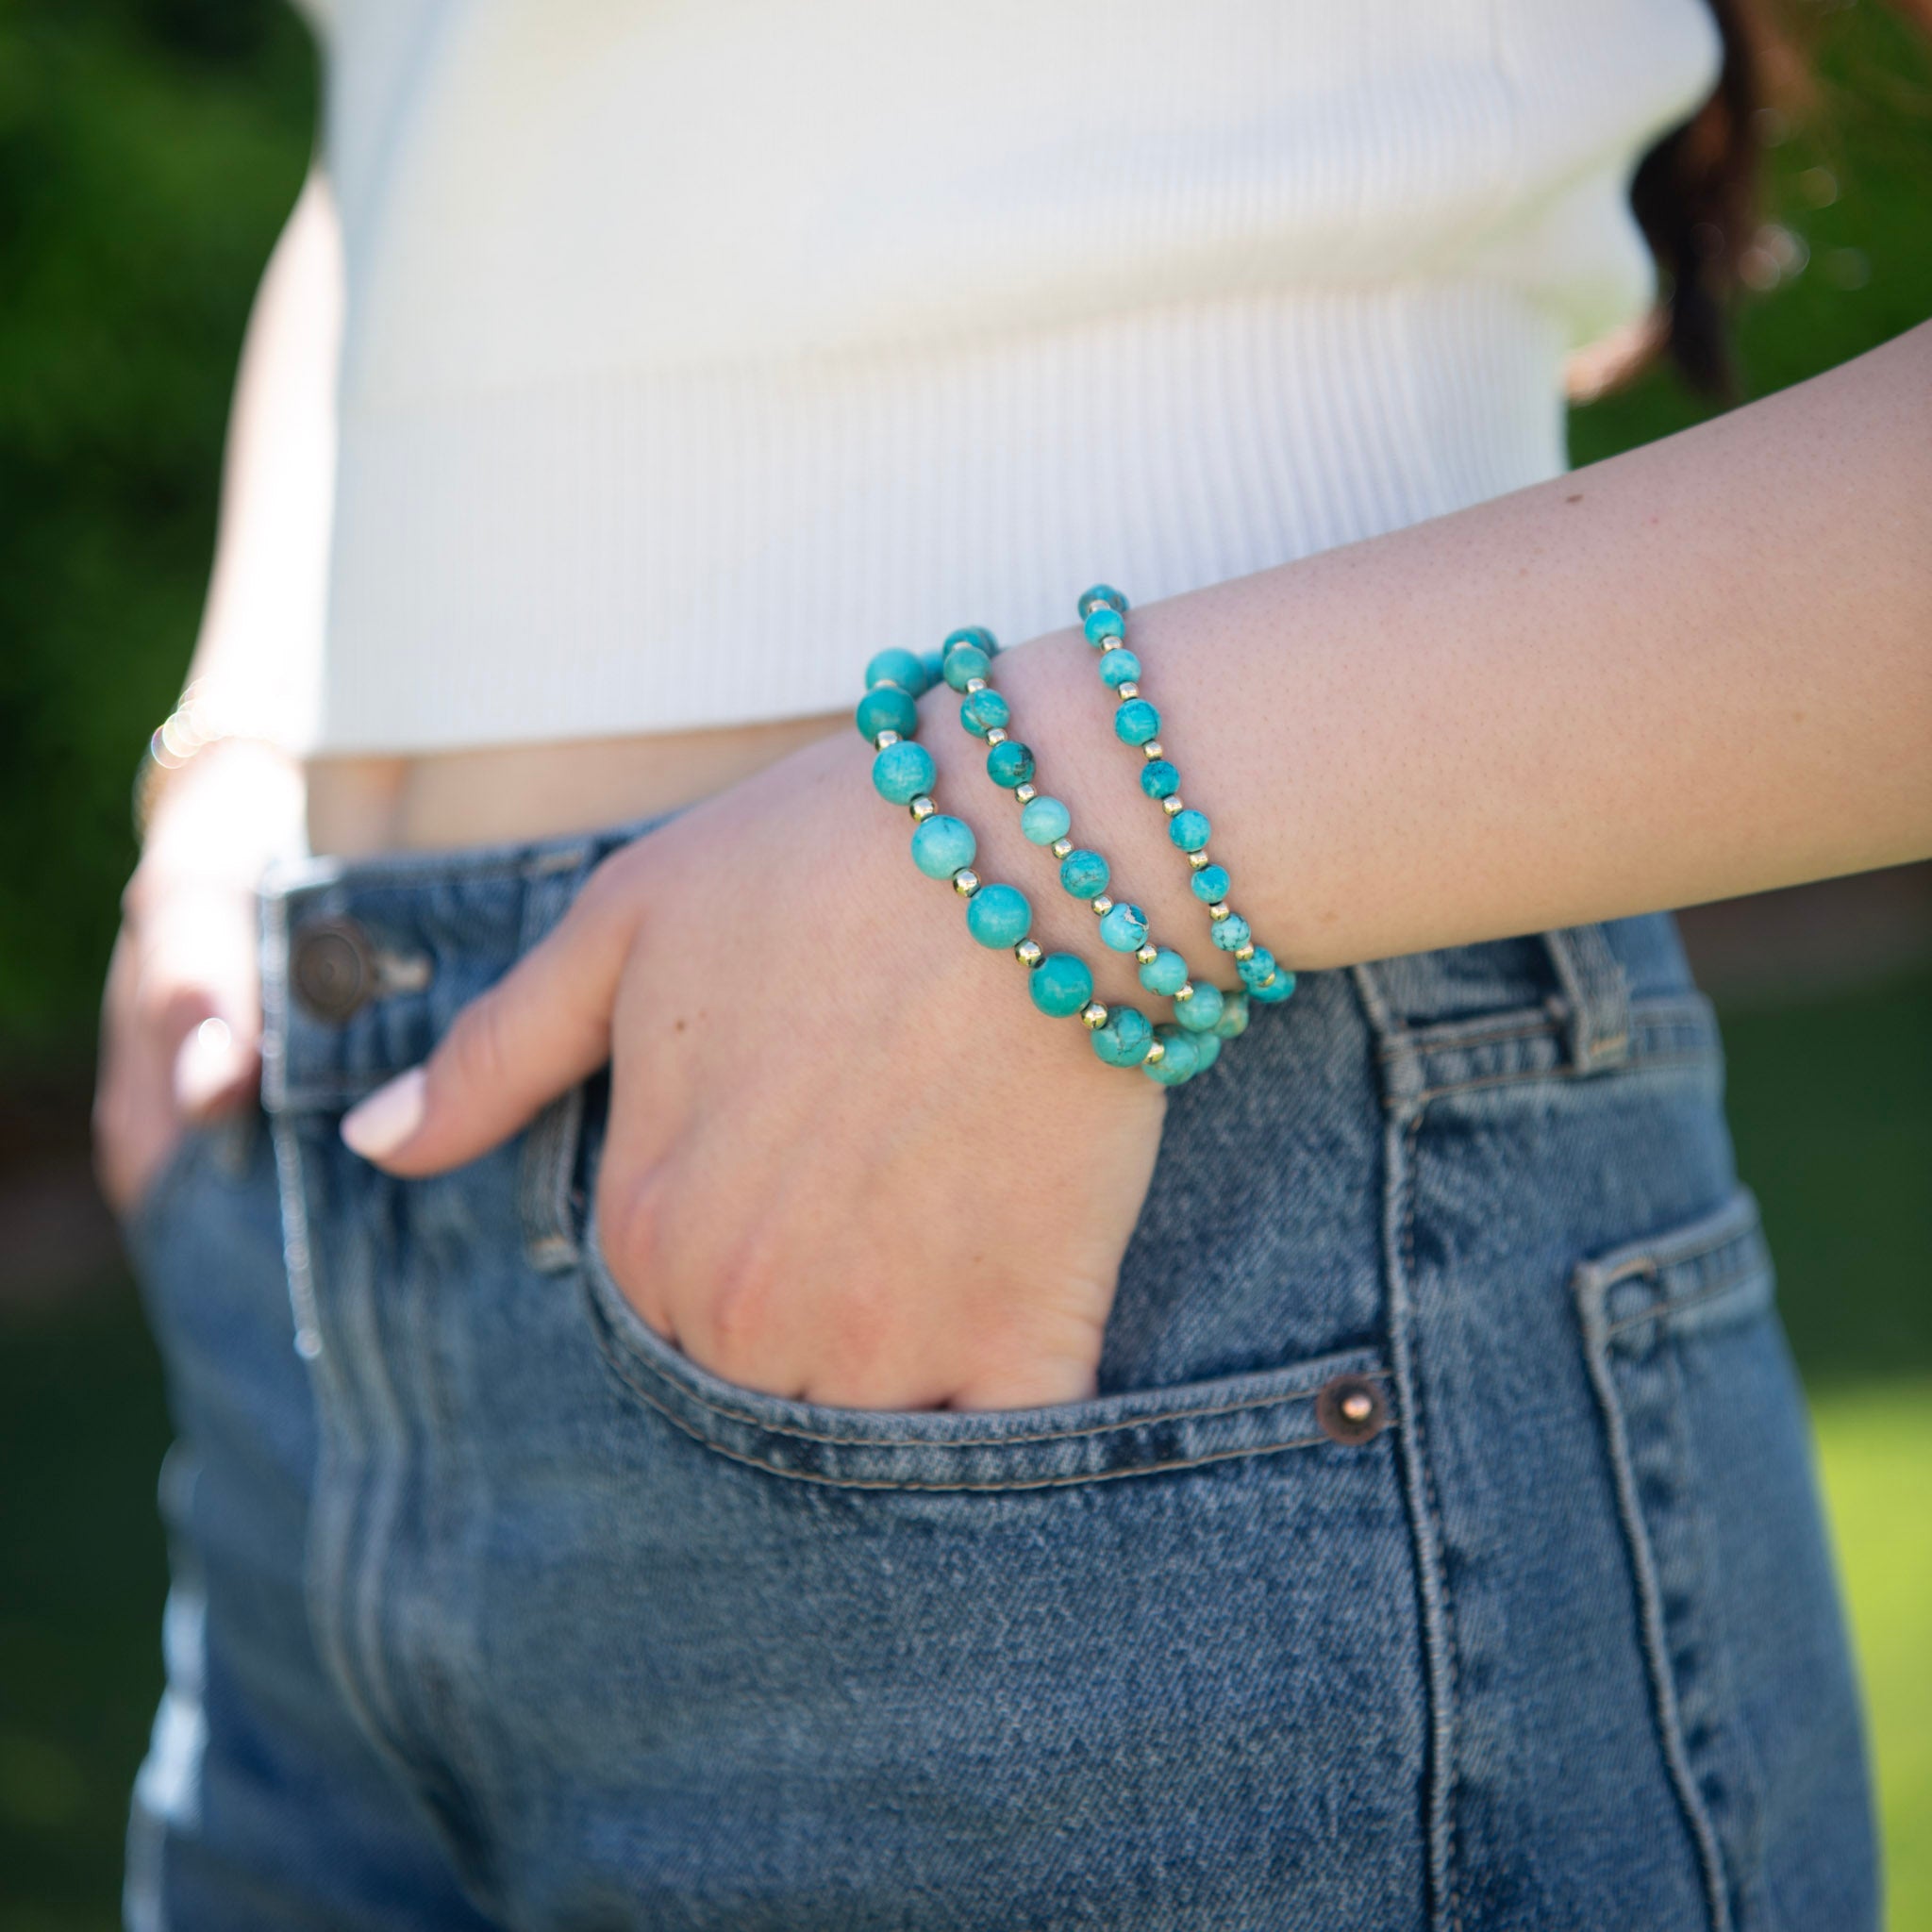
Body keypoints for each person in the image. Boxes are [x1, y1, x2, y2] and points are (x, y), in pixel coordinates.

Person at [98, 0, 1926, 1925]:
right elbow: (422, 144)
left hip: (1139, 1201)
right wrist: (230, 763)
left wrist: (1062, 845)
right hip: (325, 1265)